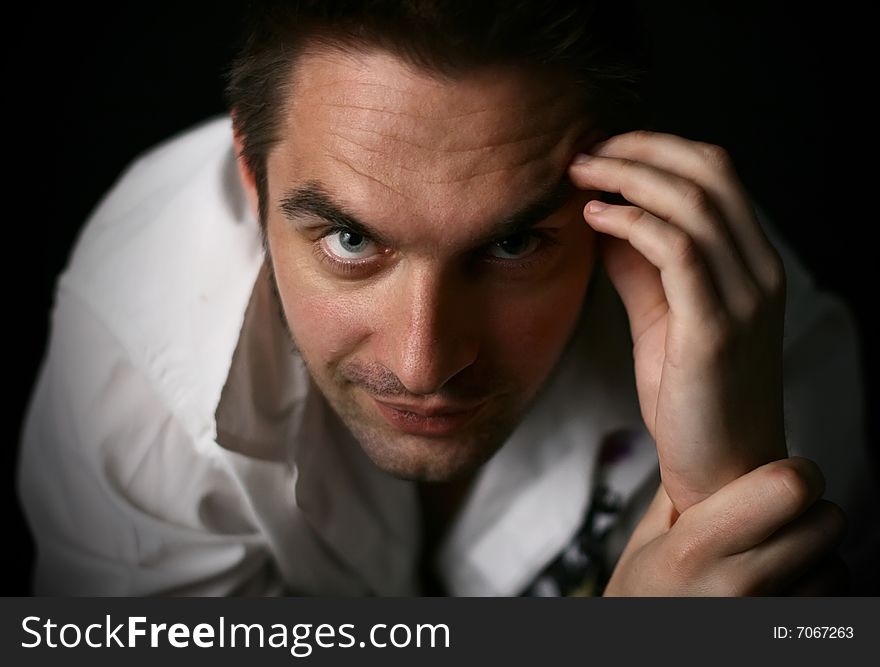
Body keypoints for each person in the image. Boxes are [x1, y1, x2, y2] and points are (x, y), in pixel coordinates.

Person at [17, 0, 878, 596]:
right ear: (252, 173)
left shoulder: (756, 340)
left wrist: (725, 491)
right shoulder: (140, 367)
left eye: (511, 244)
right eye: (351, 240)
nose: (423, 360)